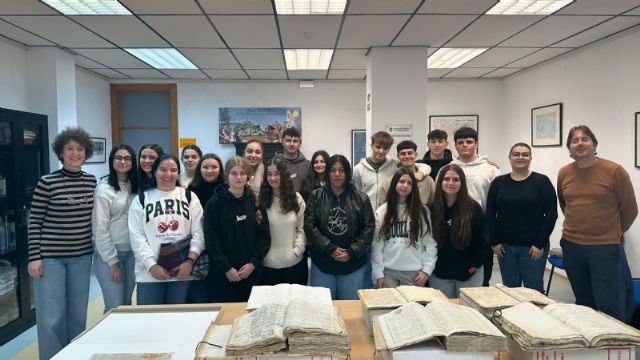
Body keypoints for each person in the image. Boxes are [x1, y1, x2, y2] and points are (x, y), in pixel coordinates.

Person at [28, 127, 96, 360]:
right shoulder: (47, 182)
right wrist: (34, 257)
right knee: (52, 316)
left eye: (80, 149)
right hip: (51, 258)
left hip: (82, 256)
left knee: (78, 314)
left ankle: (73, 355)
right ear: (61, 152)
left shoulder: (91, 181)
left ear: (86, 152)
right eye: (70, 149)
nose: (75, 153)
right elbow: (35, 221)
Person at [557, 125, 637, 321]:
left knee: (609, 303)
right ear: (569, 147)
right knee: (583, 301)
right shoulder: (564, 172)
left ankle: (613, 348)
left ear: (594, 144)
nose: (580, 143)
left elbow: (630, 209)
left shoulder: (614, 171)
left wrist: (615, 232)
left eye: (585, 139)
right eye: (574, 140)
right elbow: (565, 204)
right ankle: (590, 346)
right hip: (572, 245)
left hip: (604, 247)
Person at [128, 154, 205, 305]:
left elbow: (199, 232)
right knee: (149, 320)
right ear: (154, 171)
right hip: (149, 274)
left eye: (173, 170)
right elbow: (136, 236)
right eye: (163, 169)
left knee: (177, 320)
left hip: (182, 272)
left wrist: (189, 261)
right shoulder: (142, 199)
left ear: (178, 173)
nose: (168, 174)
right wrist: (151, 265)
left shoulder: (189, 197)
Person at [486, 143, 557, 293]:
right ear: (509, 158)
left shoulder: (541, 182)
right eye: (516, 154)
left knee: (534, 290)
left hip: (533, 249)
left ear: (531, 158)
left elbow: (551, 214)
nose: (520, 157)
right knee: (510, 290)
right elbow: (490, 213)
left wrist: (540, 244)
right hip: (505, 248)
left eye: (525, 154)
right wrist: (494, 241)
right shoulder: (499, 183)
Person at [304, 155, 374, 300]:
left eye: (341, 170)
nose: (337, 174)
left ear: (347, 173)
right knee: (322, 310)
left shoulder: (362, 198)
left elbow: (368, 230)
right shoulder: (315, 196)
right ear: (327, 173)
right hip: (323, 263)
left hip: (352, 264)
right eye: (333, 170)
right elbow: (309, 227)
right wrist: (330, 248)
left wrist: (352, 252)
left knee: (349, 310)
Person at [204, 156, 270, 302]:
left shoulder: (256, 201)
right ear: (227, 175)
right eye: (234, 173)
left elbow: (264, 237)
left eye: (242, 173)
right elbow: (211, 240)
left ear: (248, 175)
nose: (239, 177)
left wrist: (253, 263)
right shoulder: (214, 203)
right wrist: (226, 268)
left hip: (251, 272)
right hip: (223, 274)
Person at [92, 144, 139, 314]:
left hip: (133, 254)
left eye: (127, 158)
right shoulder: (103, 189)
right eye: (118, 158)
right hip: (110, 255)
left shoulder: (136, 186)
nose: (122, 161)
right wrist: (112, 262)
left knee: (126, 304)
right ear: (112, 161)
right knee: (115, 307)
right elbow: (100, 228)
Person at [450, 126, 500, 286]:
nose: (465, 145)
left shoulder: (490, 170)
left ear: (476, 144)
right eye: (461, 142)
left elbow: (498, 202)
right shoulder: (448, 169)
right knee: (454, 270)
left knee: (482, 275)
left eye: (469, 142)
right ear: (455, 145)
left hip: (481, 230)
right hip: (453, 228)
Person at [372, 167, 437, 288]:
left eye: (409, 183)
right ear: (394, 183)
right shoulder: (382, 211)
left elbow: (430, 243)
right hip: (388, 272)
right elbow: (377, 245)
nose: (405, 185)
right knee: (389, 306)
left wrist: (427, 270)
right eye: (401, 181)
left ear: (413, 187)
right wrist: (378, 273)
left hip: (414, 273)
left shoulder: (422, 211)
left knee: (412, 307)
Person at [429, 164, 488, 298]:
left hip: (469, 273)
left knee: (469, 313)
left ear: (462, 183)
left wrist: (474, 266)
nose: (451, 183)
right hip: (440, 274)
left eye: (456, 179)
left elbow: (482, 242)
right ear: (440, 182)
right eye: (446, 179)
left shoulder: (474, 208)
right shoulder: (432, 208)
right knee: (444, 313)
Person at [259, 157, 307, 285]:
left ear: (284, 175)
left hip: (294, 263)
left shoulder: (296, 198)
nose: (273, 178)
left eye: (277, 174)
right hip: (268, 266)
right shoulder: (260, 201)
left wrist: (297, 251)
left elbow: (302, 229)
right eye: (269, 174)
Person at [187, 153, 225, 303]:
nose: (210, 170)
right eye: (205, 167)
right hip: (199, 248)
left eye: (214, 167)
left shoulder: (226, 189)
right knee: (199, 293)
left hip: (221, 247)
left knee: (217, 293)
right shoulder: (191, 191)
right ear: (199, 169)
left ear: (220, 169)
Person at [378, 140, 436, 207]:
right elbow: (382, 207)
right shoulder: (389, 182)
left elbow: (433, 204)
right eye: (403, 154)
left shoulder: (428, 181)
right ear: (398, 156)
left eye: (410, 153)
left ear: (415, 155)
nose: (407, 156)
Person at [274, 127, 310, 192]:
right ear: (282, 141)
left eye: (295, 141)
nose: (292, 144)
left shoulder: (308, 165)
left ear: (299, 143)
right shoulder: (273, 164)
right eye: (288, 140)